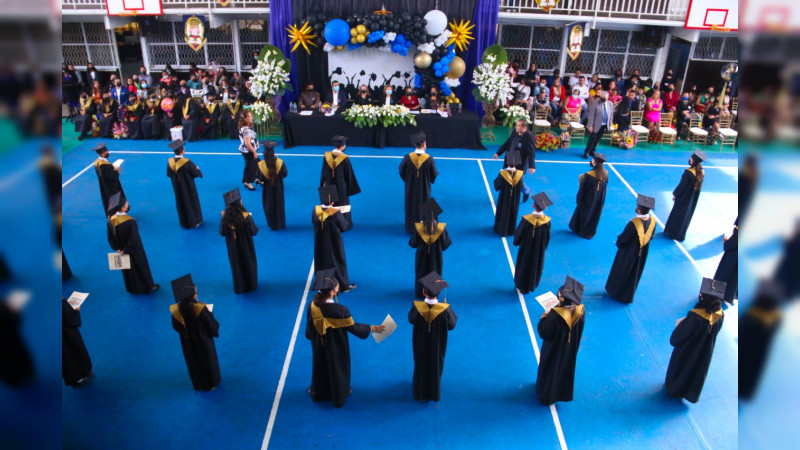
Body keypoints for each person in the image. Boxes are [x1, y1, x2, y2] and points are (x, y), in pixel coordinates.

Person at [305, 269, 385, 408]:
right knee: (337, 367)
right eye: (336, 286)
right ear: (331, 292)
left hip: (319, 344)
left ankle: (319, 392)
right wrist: (372, 328)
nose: (338, 287)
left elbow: (309, 330)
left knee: (320, 366)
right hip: (336, 346)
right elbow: (354, 328)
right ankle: (339, 394)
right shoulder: (340, 310)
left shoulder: (312, 305)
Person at [665, 278, 726, 403]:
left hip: (686, 351)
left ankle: (674, 389)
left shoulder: (695, 316)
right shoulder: (720, 315)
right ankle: (688, 393)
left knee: (681, 369)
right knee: (696, 370)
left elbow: (676, 338)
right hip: (705, 352)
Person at [536, 275, 586, 405]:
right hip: (568, 349)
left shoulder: (555, 316)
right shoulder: (580, 311)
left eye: (560, 295)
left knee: (550, 370)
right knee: (564, 369)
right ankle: (560, 393)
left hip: (553, 349)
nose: (558, 296)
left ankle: (546, 395)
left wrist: (544, 316)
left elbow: (544, 332)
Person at [409, 271, 457, 402]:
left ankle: (419, 391)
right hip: (438, 344)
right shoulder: (445, 310)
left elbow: (411, 319)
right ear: (439, 293)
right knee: (436, 363)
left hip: (420, 342)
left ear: (424, 292)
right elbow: (452, 325)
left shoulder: (416, 307)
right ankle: (433, 391)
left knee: (420, 362)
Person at [169, 274, 221, 391]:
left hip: (187, 343)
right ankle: (211, 382)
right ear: (193, 295)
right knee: (207, 360)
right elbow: (212, 327)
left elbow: (176, 327)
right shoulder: (200, 310)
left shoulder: (175, 311)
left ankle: (199, 383)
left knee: (193, 362)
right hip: (203, 341)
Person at [605, 195, 657, 303]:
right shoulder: (653, 221)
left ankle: (616, 293)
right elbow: (651, 236)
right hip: (642, 253)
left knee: (622, 271)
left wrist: (619, 241)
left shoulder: (634, 224)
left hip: (628, 253)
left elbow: (624, 239)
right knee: (634, 272)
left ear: (639, 209)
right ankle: (627, 295)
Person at [106, 193, 159, 294]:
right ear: (123, 209)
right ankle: (148, 286)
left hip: (121, 250)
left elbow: (110, 238)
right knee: (140, 267)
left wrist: (118, 249)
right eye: (126, 204)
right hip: (134, 250)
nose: (127, 204)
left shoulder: (110, 222)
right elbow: (134, 239)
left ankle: (132, 288)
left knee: (128, 270)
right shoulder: (130, 221)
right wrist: (126, 249)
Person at [739, 280, 783, 399]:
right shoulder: (776, 317)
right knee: (754, 370)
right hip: (760, 353)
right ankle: (746, 392)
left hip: (746, 350)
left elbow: (742, 329)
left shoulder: (752, 315)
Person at [313, 186, 356, 292]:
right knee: (338, 260)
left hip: (320, 242)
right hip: (334, 242)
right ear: (332, 202)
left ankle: (322, 285)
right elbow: (344, 227)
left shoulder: (315, 211)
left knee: (322, 261)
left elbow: (314, 224)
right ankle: (342, 285)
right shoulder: (335, 213)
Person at [218, 188, 259, 294]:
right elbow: (254, 231)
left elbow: (222, 232)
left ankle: (239, 287)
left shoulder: (224, 217)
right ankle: (251, 285)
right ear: (239, 202)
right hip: (246, 246)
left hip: (232, 247)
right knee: (248, 262)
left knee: (236, 264)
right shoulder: (245, 217)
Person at [410, 198, 451, 298]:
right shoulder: (441, 229)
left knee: (421, 271)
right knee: (435, 271)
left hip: (421, 257)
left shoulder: (419, 228)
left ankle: (420, 292)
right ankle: (433, 294)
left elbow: (413, 244)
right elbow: (445, 245)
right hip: (436, 257)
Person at [513, 192, 553, 294]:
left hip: (526, 248)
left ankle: (521, 284)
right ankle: (531, 285)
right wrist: (542, 248)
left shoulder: (526, 220)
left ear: (533, 205)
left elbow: (519, 234)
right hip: (538, 250)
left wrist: (517, 242)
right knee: (534, 266)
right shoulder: (547, 222)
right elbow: (547, 238)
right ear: (545, 208)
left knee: (523, 264)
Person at [399, 132, 438, 233]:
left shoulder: (407, 158)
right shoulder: (429, 159)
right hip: (424, 188)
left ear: (414, 145)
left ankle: (410, 227)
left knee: (410, 204)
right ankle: (424, 226)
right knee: (425, 204)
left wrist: (408, 180)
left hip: (410, 188)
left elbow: (401, 171)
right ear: (424, 145)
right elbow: (433, 174)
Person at [320, 135, 361, 231]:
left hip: (329, 185)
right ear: (343, 146)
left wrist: (323, 185)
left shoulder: (326, 156)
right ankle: (344, 224)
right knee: (342, 205)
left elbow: (323, 173)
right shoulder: (344, 158)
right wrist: (350, 188)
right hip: (341, 187)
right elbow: (349, 175)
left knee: (330, 203)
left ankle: (330, 224)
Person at [664, 150, 705, 241]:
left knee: (677, 214)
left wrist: (676, 194)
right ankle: (680, 234)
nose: (690, 158)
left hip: (683, 198)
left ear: (694, 160)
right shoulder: (701, 172)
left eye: (692, 158)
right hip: (692, 199)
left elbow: (682, 186)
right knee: (686, 215)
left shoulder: (689, 173)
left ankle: (672, 232)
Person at [569, 153, 608, 240]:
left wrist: (579, 200)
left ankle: (580, 230)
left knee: (584, 214)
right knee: (594, 214)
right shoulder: (605, 174)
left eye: (593, 160)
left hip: (587, 200)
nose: (591, 161)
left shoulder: (589, 175)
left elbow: (583, 190)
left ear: (595, 163)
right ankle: (589, 231)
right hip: (599, 201)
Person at [494, 119, 535, 201]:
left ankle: (525, 191)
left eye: (518, 125)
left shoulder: (529, 137)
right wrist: (498, 153)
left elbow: (531, 152)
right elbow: (507, 143)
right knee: (513, 178)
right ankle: (521, 191)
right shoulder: (514, 132)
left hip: (520, 162)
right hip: (511, 158)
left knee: (517, 179)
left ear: (524, 127)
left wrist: (532, 166)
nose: (516, 127)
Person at [167, 139, 203, 228]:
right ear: (183, 151)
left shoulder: (170, 162)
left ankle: (184, 222)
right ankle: (194, 221)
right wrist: (197, 169)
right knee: (191, 202)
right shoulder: (187, 163)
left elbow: (168, 174)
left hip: (177, 187)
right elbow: (195, 173)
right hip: (188, 187)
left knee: (180, 202)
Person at [62, 297, 93, 388]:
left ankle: (74, 378)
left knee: (64, 358)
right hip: (68, 334)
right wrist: (76, 311)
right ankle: (80, 376)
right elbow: (72, 321)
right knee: (74, 352)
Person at [257, 141, 288, 230]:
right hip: (278, 188)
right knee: (279, 204)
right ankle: (280, 223)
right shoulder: (280, 162)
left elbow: (260, 178)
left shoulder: (261, 165)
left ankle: (272, 224)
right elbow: (285, 174)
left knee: (269, 205)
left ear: (264, 153)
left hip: (267, 189)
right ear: (273, 153)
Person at [493, 150, 525, 236]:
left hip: (504, 197)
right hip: (515, 198)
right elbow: (522, 186)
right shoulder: (520, 174)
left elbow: (497, 186)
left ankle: (500, 229)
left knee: (503, 211)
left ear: (507, 162)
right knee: (513, 211)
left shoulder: (503, 173)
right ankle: (510, 230)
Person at [92, 143, 125, 216]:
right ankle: (115, 214)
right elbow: (113, 177)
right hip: (111, 187)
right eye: (106, 152)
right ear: (102, 154)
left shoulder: (97, 162)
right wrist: (117, 171)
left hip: (104, 185)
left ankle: (112, 213)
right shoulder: (104, 165)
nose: (108, 152)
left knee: (108, 199)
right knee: (114, 199)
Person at [582, 90, 614, 159]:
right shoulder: (595, 103)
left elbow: (611, 115)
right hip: (595, 125)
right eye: (601, 97)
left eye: (604, 97)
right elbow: (591, 115)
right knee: (592, 139)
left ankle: (592, 151)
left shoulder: (610, 104)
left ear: (607, 97)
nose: (602, 98)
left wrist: (610, 124)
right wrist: (590, 125)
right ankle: (586, 152)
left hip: (604, 125)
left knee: (598, 139)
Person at [713, 218, 738, 304]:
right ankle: (729, 296)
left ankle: (717, 294)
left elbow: (736, 239)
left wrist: (727, 243)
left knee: (725, 272)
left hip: (734, 254)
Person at [238, 109, 260, 191]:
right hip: (248, 151)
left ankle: (258, 178)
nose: (252, 118)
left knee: (258, 164)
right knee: (250, 167)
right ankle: (247, 182)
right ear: (245, 119)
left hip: (250, 150)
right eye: (250, 116)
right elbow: (247, 143)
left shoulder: (248, 127)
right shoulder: (246, 129)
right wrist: (254, 152)